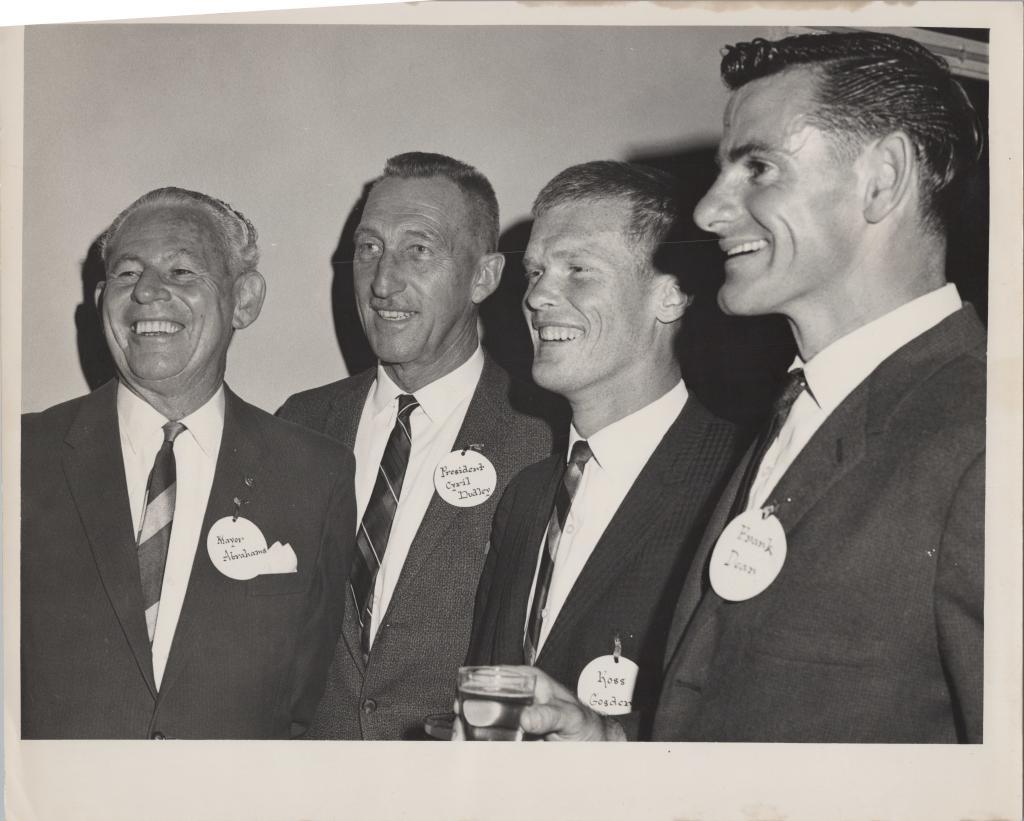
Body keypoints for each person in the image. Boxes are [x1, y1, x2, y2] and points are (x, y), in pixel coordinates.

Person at [514, 31, 986, 743]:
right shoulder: (793, 413)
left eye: (758, 167)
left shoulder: (987, 435)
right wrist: (608, 742)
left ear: (882, 178)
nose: (706, 212)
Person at [21, 187, 356, 739]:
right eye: (127, 275)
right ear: (102, 297)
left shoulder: (315, 474)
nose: (149, 292)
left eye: (182, 272)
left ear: (244, 300)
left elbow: (308, 700)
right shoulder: (23, 457)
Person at [278, 152, 561, 739]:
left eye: (419, 250)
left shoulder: (543, 435)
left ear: (484, 277)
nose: (382, 282)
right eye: (369, 249)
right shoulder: (301, 424)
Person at [465, 161, 743, 739]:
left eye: (579, 270)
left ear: (669, 296)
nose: (538, 295)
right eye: (536, 271)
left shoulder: (743, 481)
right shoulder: (528, 496)